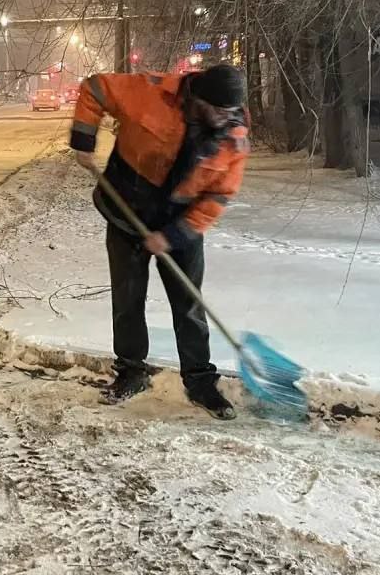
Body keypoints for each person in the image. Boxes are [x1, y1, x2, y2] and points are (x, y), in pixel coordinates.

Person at [69, 63, 249, 417]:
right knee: (128, 299)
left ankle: (199, 381)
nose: (222, 118)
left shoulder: (234, 137)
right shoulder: (150, 94)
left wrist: (173, 236)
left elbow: (218, 197)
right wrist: (83, 139)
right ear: (197, 98)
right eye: (216, 110)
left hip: (180, 225)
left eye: (229, 112)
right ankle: (131, 372)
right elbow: (95, 88)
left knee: (189, 305)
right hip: (127, 211)